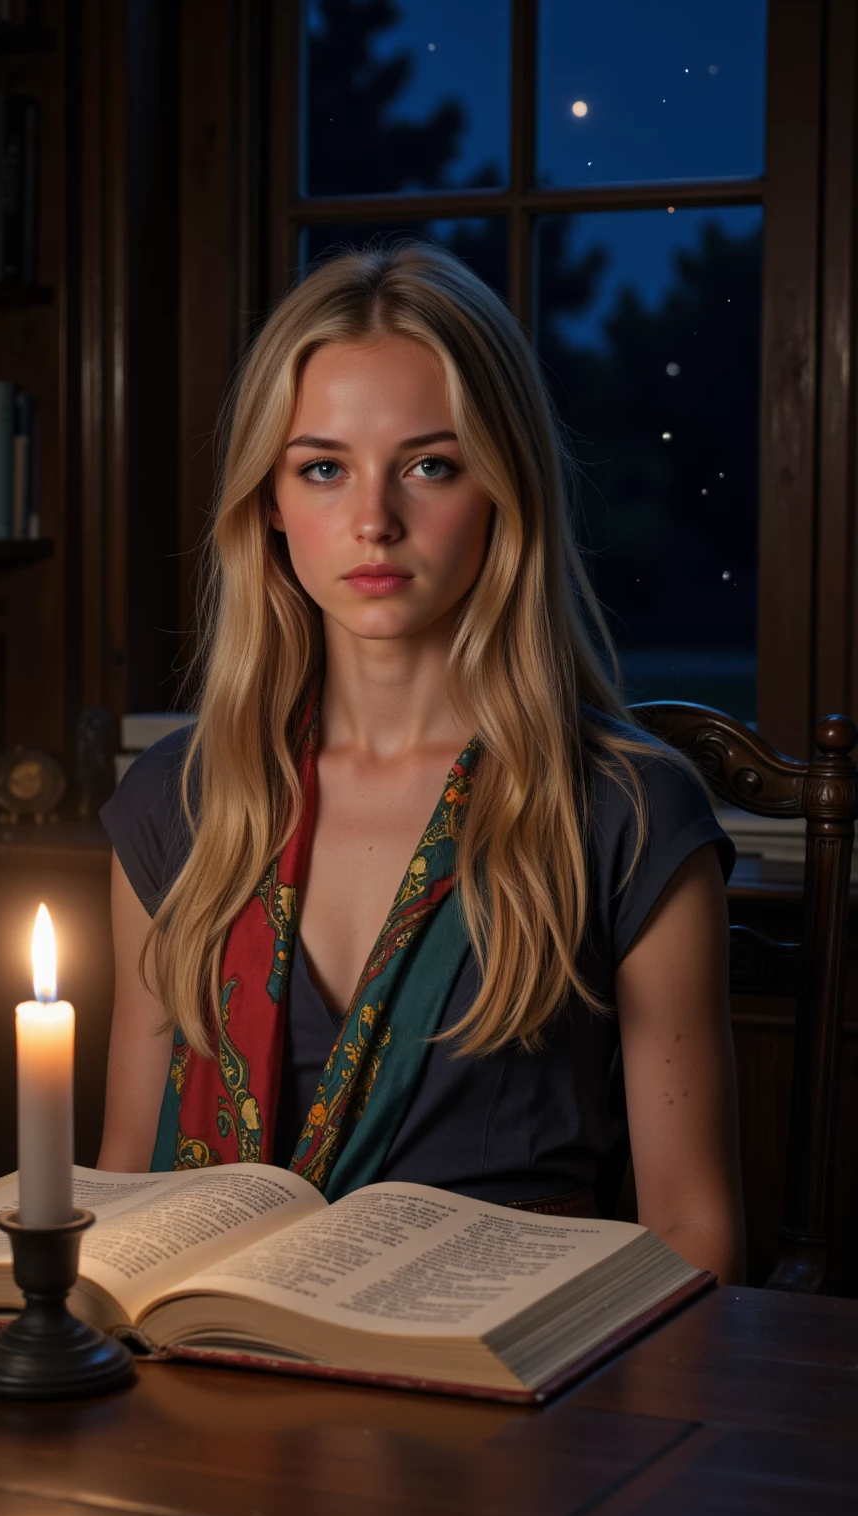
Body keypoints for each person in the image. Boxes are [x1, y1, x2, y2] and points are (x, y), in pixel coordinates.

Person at [98, 243, 746, 1284]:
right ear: (267, 501)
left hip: (517, 1384)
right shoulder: (174, 804)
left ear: (502, 489)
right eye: (323, 467)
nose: (373, 521)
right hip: (217, 1369)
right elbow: (127, 1188)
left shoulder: (625, 811)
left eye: (429, 464)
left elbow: (694, 1233)